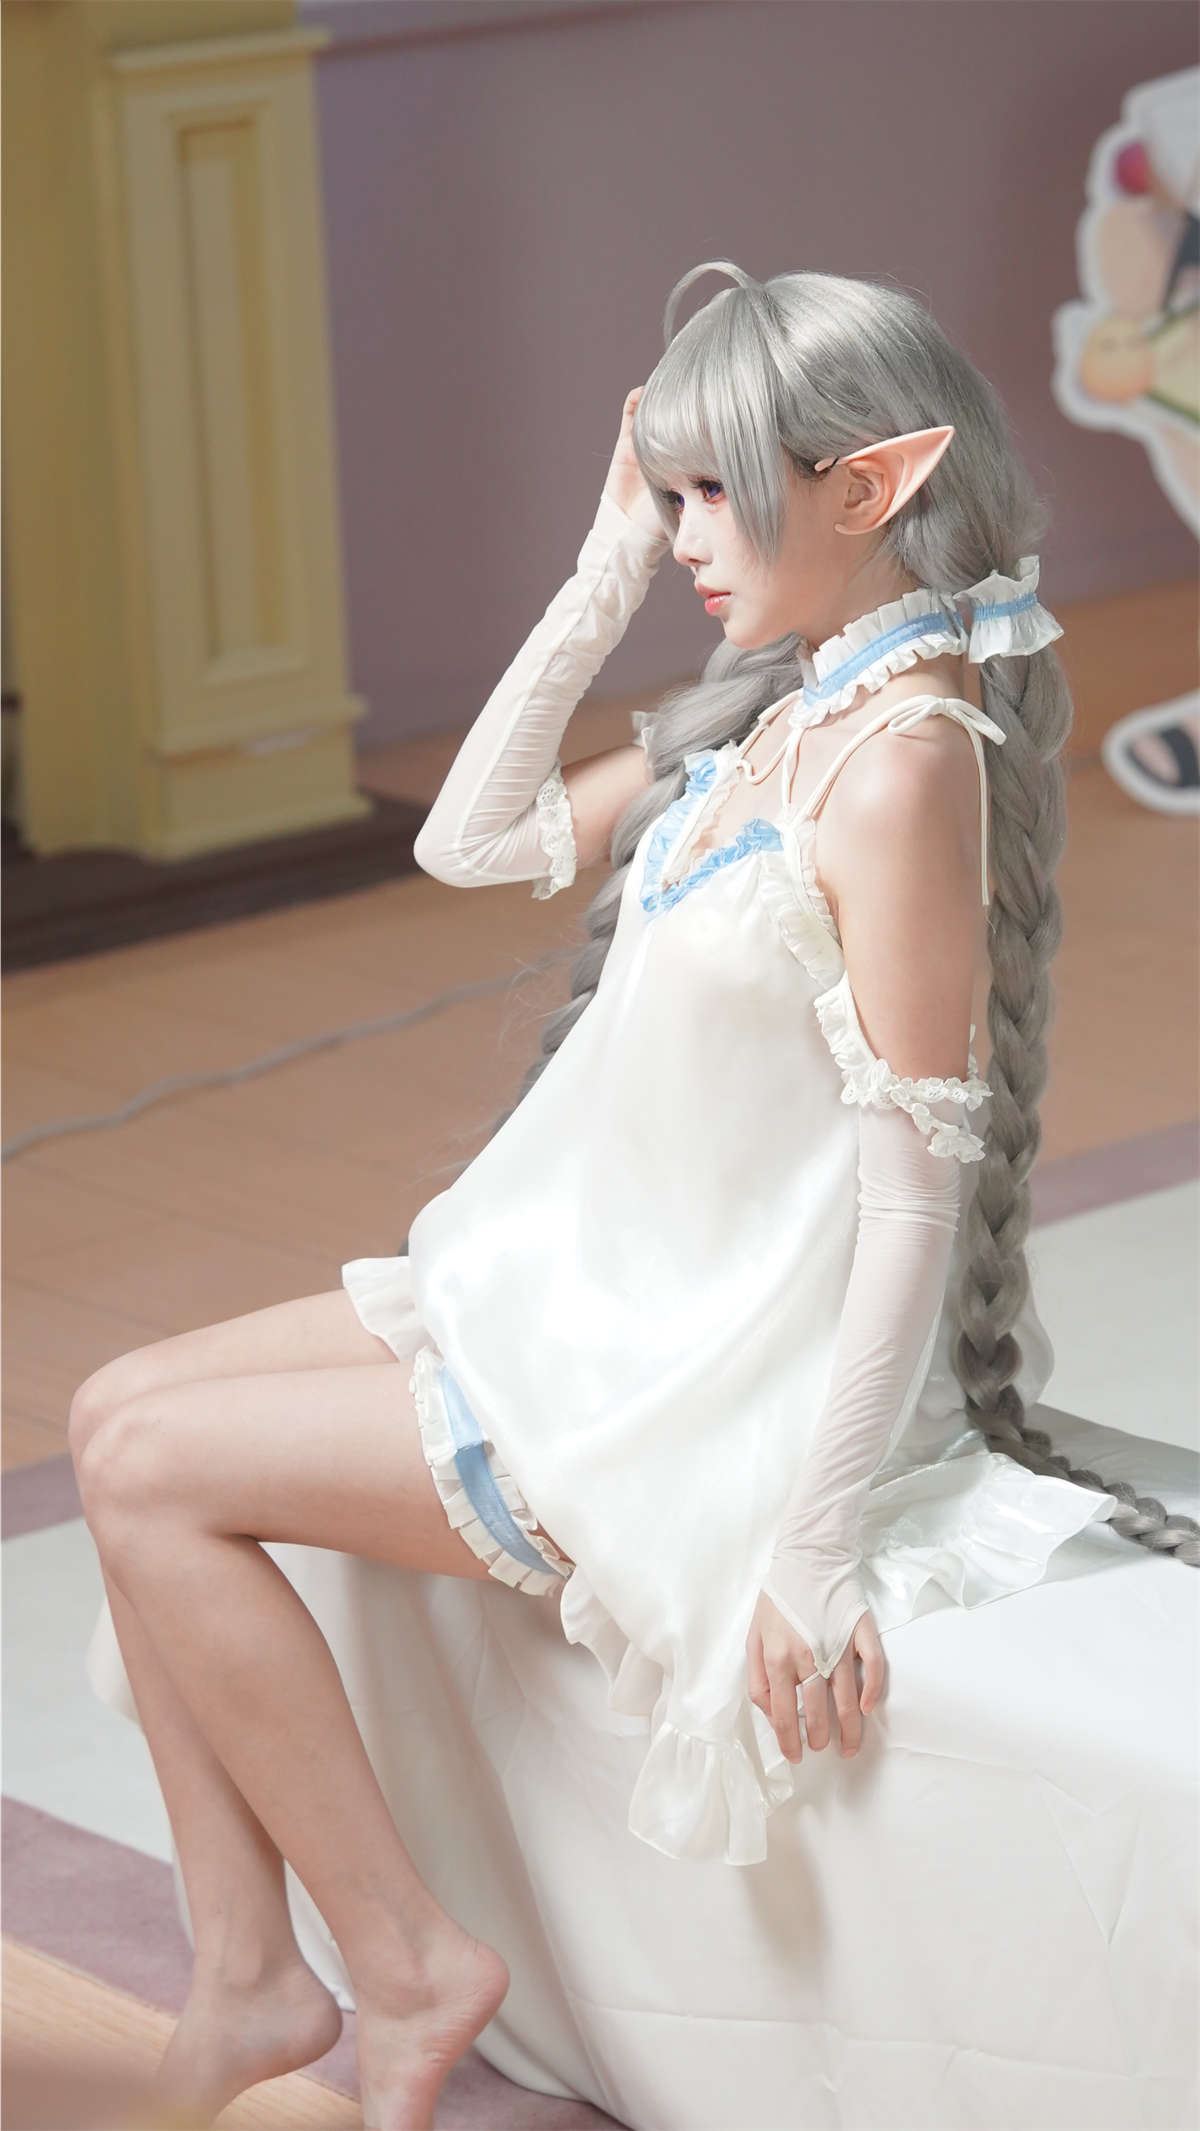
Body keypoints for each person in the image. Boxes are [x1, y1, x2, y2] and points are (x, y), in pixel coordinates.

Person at [72, 260, 1200, 2131]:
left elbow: (914, 1193)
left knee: (145, 1472)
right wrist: (603, 566)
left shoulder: (903, 766)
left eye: (712, 493)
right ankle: (251, 1971)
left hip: (681, 1379)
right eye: (665, 493)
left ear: (872, 485)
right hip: (569, 1294)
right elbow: (471, 840)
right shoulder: (771, 717)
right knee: (114, 1407)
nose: (684, 537)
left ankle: (398, 1962)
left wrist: (813, 1544)